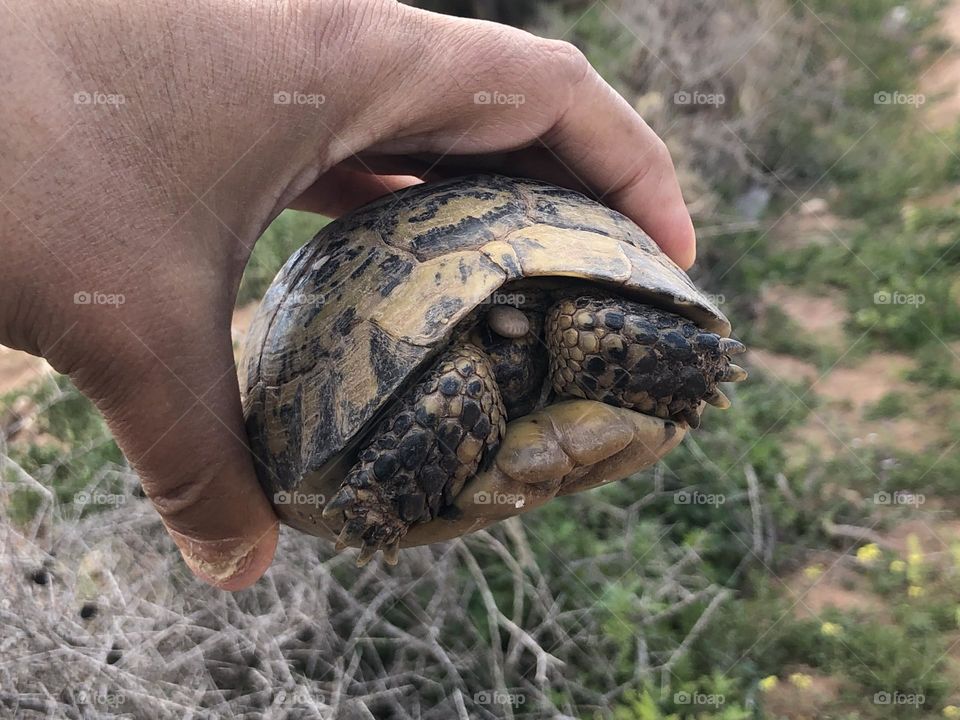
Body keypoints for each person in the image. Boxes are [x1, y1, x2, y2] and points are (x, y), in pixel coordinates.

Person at [0, 0, 696, 589]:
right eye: (492, 331)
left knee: (589, 325)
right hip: (396, 404)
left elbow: (637, 333)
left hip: (553, 277)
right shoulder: (459, 378)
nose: (511, 346)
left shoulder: (568, 321)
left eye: (514, 329)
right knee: (456, 382)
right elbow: (463, 377)